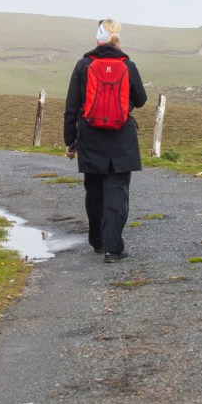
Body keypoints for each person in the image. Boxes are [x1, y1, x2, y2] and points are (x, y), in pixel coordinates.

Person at [63, 19, 148, 263]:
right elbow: (141, 99)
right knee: (117, 192)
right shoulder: (128, 65)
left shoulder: (83, 65)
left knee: (94, 192)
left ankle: (98, 242)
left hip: (90, 138)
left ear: (97, 38)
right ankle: (113, 249)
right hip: (122, 139)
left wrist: (69, 141)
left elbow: (72, 107)